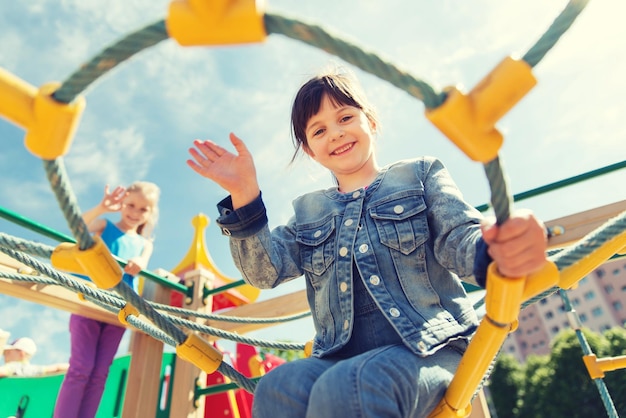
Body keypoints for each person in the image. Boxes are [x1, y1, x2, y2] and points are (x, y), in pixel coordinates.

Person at [187, 70, 548, 418]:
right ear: (310, 150)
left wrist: (496, 249)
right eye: (319, 129)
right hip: (339, 357)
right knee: (277, 388)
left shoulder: (419, 175)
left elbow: (458, 237)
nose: (335, 133)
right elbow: (265, 271)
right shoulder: (309, 212)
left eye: (345, 117)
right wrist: (244, 196)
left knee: (352, 385)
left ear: (370, 121)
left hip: (429, 346)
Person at [53, 181, 160, 418]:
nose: (135, 212)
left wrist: (140, 264)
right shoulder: (105, 226)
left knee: (101, 372)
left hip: (119, 309)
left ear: (150, 213)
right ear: (121, 204)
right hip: (90, 300)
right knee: (81, 368)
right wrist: (102, 207)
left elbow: (143, 260)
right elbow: (77, 227)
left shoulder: (145, 244)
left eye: (143, 209)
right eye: (131, 205)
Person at [0, 336, 69, 377]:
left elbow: (1, 372)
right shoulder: (33, 370)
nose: (4, 355)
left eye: (8, 352)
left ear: (21, 353)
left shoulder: (12, 366)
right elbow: (57, 368)